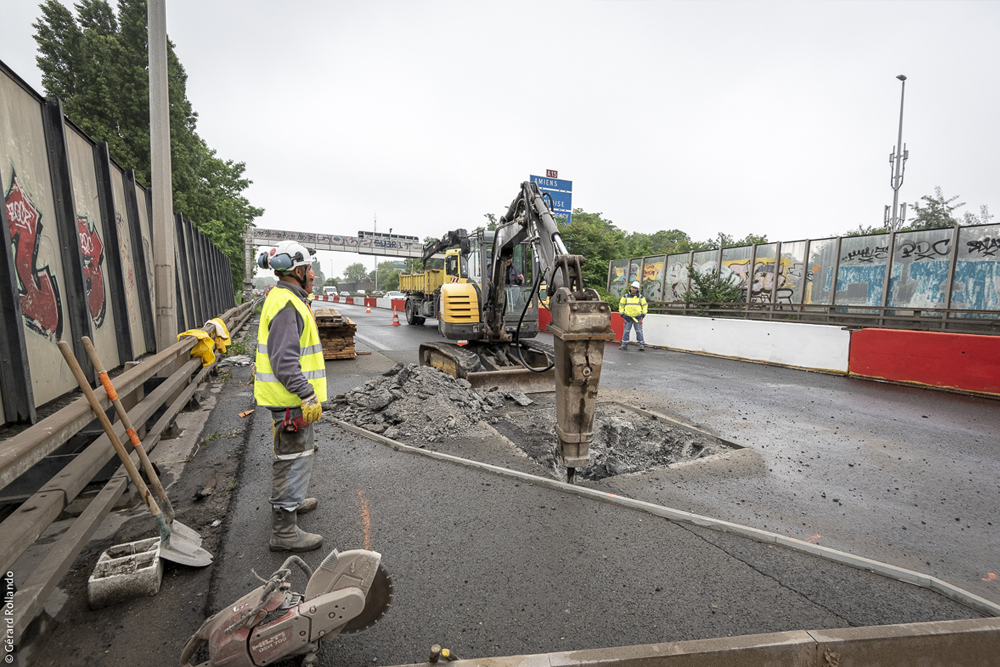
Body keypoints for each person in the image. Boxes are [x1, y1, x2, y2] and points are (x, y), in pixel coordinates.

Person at [254, 241, 326, 552]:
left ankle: (292, 503)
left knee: (298, 455)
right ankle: (283, 531)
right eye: (309, 269)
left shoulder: (286, 298)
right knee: (291, 459)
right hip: (290, 401)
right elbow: (284, 361)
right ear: (297, 271)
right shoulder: (286, 304)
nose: (313, 275)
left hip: (289, 400)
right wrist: (306, 393)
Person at [619, 280, 648, 351]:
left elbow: (645, 306)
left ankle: (641, 345)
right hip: (627, 317)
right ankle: (624, 345)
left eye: (635, 288)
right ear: (631, 287)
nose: (633, 289)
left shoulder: (641, 297)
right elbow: (621, 305)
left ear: (637, 289)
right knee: (626, 331)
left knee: (639, 332)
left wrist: (643, 314)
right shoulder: (625, 297)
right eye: (632, 287)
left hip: (637, 317)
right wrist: (622, 313)